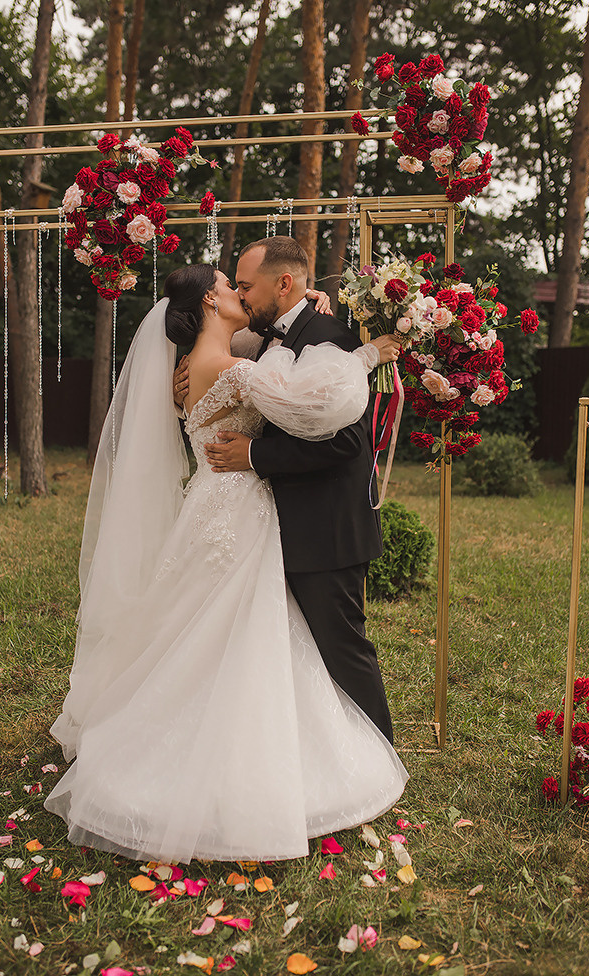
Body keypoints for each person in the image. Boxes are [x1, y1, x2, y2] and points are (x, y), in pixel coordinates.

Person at [44, 262, 407, 865]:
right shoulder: (235, 369)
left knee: (205, 627)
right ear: (211, 302)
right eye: (229, 286)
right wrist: (367, 356)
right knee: (236, 631)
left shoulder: (200, 364)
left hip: (216, 503)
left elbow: (269, 346)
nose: (239, 293)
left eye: (245, 284)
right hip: (238, 507)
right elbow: (312, 402)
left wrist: (314, 314)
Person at [179, 237, 398, 744]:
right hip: (280, 524)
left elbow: (346, 440)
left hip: (326, 528)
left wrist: (254, 456)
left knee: (340, 647)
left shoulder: (324, 334)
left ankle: (382, 755)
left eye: (248, 286)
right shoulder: (264, 340)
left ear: (284, 283)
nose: (241, 293)